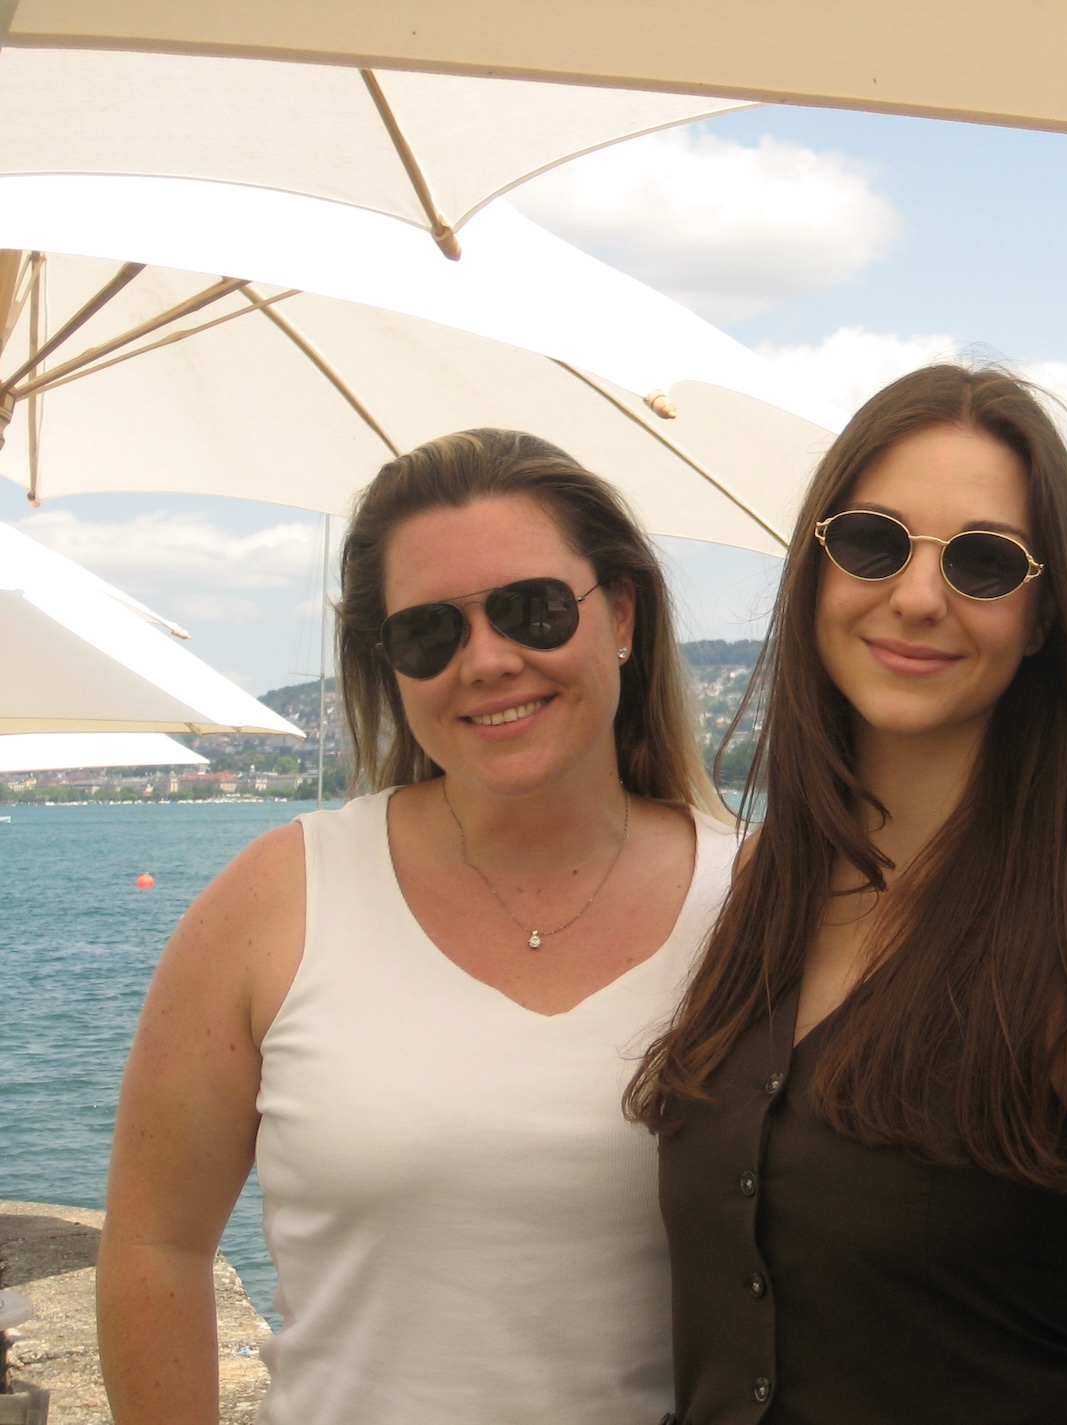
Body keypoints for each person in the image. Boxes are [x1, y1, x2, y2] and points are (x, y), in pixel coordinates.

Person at [97, 429, 738, 1425]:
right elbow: (155, 1245)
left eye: (532, 609)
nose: (488, 660)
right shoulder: (279, 901)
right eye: (430, 633)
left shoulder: (761, 903)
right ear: (389, 665)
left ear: (620, 614)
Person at [628, 365, 1067, 1425]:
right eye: (872, 542)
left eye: (985, 562)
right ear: (815, 572)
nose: (915, 596)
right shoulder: (766, 878)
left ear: (1043, 615)